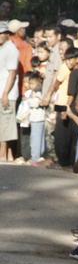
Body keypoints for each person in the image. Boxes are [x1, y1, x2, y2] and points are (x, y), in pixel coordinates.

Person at [0, 20, 18, 162]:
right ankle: (8, 155)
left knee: (5, 124)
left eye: (1, 33)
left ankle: (3, 155)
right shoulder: (3, 48)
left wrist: (5, 93)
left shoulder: (11, 49)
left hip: (7, 93)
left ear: (6, 34)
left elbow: (12, 74)